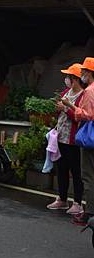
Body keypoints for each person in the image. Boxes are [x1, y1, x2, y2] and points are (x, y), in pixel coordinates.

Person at [47, 64, 84, 214]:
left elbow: (80, 117)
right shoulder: (66, 92)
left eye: (68, 77)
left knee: (76, 171)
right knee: (61, 169)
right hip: (60, 137)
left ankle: (77, 202)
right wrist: (58, 109)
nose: (66, 79)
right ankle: (62, 199)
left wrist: (65, 109)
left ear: (75, 79)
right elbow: (61, 112)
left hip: (73, 140)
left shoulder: (83, 95)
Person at [62, 57, 94, 226]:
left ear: (89, 73)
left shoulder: (89, 91)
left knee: (88, 176)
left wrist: (71, 106)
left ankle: (88, 213)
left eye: (84, 72)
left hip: (90, 138)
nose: (82, 75)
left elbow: (87, 115)